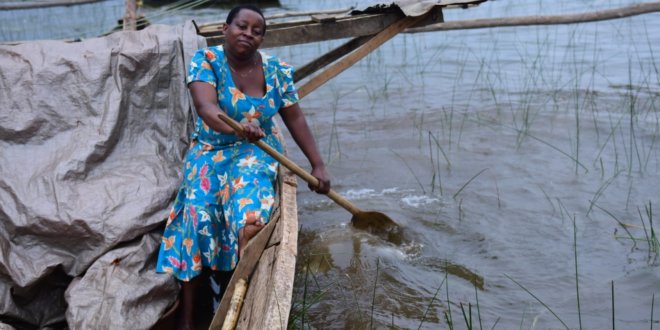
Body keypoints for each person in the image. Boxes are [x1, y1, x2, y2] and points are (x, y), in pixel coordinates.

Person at [155, 4, 331, 329]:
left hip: (258, 150)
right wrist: (236, 128)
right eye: (241, 26)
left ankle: (236, 289)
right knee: (198, 212)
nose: (248, 34)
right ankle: (192, 312)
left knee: (248, 215)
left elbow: (295, 117)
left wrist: (317, 166)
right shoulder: (206, 61)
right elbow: (206, 107)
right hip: (211, 148)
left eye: (256, 30)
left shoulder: (277, 70)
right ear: (225, 29)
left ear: (262, 38)